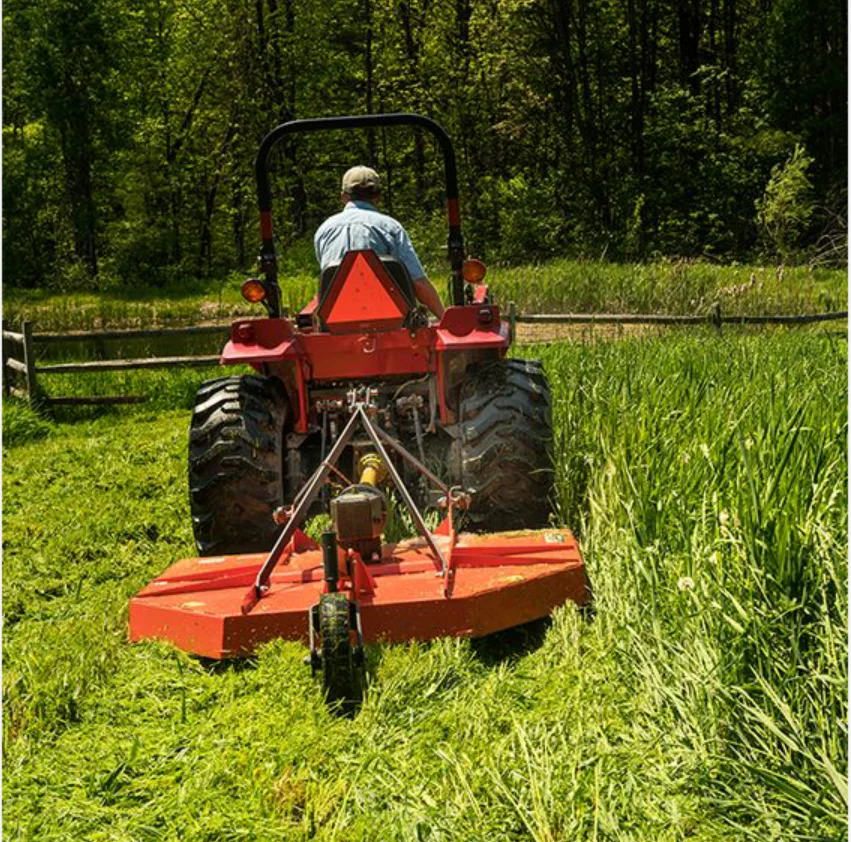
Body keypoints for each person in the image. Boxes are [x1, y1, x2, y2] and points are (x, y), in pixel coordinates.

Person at [314, 166, 445, 318]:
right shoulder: (390, 227)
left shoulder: (324, 230)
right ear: (378, 197)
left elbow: (328, 278)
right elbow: (418, 284)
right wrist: (444, 319)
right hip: (391, 322)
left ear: (343, 196)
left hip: (336, 321)